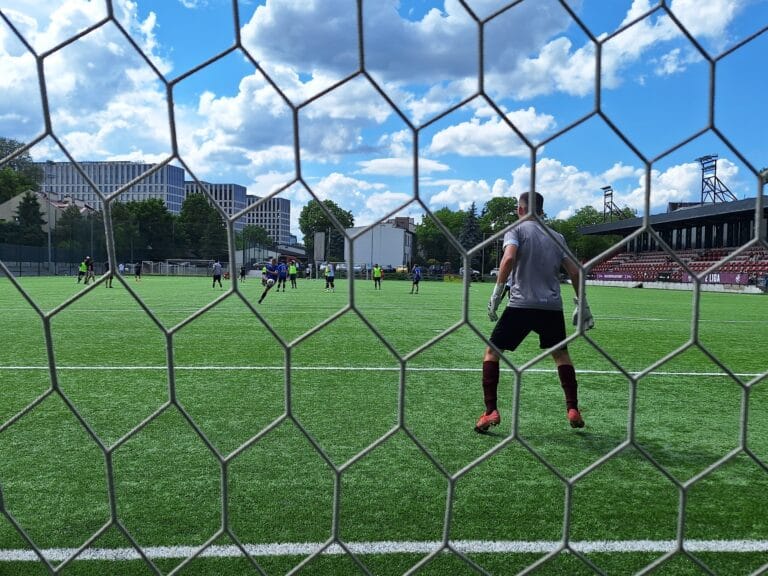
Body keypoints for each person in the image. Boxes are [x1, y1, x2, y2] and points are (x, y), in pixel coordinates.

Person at [478, 192, 594, 433]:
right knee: (561, 356)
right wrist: (582, 303)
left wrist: (497, 294)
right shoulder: (558, 236)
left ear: (521, 210)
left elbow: (509, 258)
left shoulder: (516, 231)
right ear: (541, 210)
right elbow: (575, 272)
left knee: (492, 353)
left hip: (521, 305)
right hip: (551, 307)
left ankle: (490, 412)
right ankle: (572, 408)